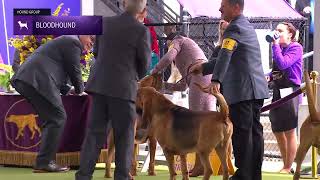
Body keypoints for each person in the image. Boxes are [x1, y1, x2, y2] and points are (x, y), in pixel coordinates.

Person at [190, 0, 269, 180]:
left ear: (235, 7)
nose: (219, 9)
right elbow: (227, 58)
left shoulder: (234, 29)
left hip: (242, 91)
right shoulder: (246, 26)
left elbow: (225, 55)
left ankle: (243, 175)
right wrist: (203, 68)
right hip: (254, 89)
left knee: (243, 134)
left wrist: (215, 79)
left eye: (223, 6)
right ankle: (253, 175)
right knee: (254, 133)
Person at [75, 0, 151, 179]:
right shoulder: (141, 31)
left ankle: (83, 176)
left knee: (94, 133)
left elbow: (97, 53)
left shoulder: (104, 23)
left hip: (100, 85)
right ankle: (122, 176)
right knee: (124, 136)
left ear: (124, 4)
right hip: (124, 88)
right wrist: (133, 77)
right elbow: (145, 65)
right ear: (143, 10)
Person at [10, 35, 93, 172]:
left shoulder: (67, 42)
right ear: (82, 34)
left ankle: (44, 161)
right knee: (57, 118)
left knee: (51, 119)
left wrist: (69, 89)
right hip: (35, 80)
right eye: (91, 39)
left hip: (29, 79)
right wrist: (80, 90)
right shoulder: (73, 42)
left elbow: (55, 71)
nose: (91, 44)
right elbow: (74, 70)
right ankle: (44, 162)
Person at [151, 32, 217, 176]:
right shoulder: (189, 49)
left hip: (199, 76)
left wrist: (154, 71)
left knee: (196, 123)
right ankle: (209, 165)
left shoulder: (178, 40)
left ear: (170, 41)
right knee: (208, 123)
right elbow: (182, 87)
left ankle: (200, 166)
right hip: (207, 77)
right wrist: (162, 86)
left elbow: (168, 57)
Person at [267, 22, 302, 174]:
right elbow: (276, 70)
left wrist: (274, 45)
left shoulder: (296, 47)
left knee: (289, 130)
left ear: (290, 35)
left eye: (280, 31)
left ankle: (288, 166)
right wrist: (268, 77)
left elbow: (283, 64)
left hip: (290, 91)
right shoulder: (279, 48)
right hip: (278, 90)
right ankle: (285, 164)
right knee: (277, 129)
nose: (277, 33)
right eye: (276, 30)